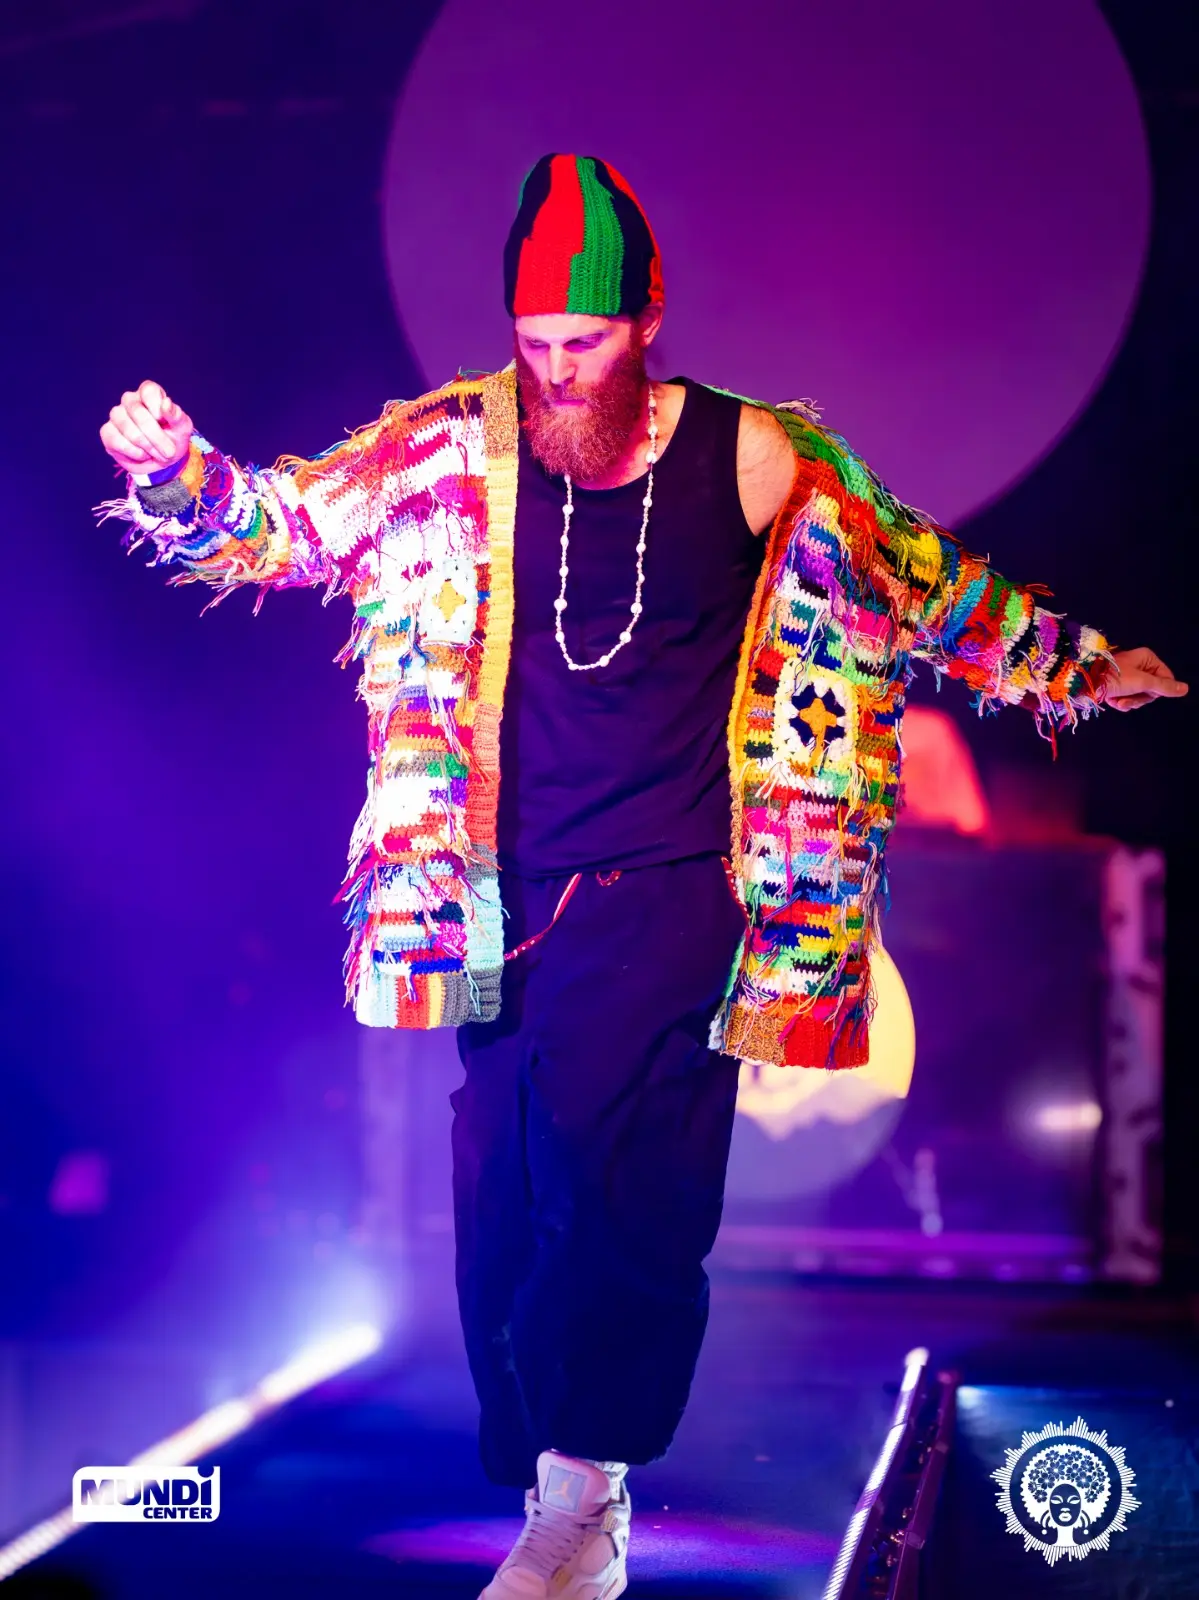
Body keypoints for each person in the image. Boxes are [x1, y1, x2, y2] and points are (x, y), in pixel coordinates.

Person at [97, 153, 1185, 1600]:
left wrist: (1075, 666)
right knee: (504, 1201)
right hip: (497, 905)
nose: (556, 372)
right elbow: (283, 529)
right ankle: (560, 1488)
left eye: (585, 342)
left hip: (678, 889)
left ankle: (582, 1505)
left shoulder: (751, 456)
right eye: (535, 343)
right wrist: (177, 473)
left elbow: (915, 580)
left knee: (621, 1196)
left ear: (646, 321)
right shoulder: (449, 451)